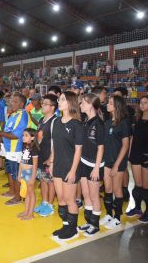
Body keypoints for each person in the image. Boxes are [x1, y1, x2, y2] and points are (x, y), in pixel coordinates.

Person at [49, 91, 83, 240]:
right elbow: (54, 146)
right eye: (59, 99)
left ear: (70, 103)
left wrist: (73, 171)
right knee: (61, 199)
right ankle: (65, 226)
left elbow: (78, 150)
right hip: (57, 165)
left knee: (70, 200)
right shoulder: (56, 121)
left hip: (70, 167)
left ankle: (73, 229)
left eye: (62, 99)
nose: (59, 101)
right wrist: (51, 163)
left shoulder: (77, 124)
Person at [126, 96, 148, 223]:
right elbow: (133, 138)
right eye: (141, 102)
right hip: (135, 155)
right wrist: (129, 154)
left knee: (146, 187)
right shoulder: (137, 119)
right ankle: (137, 208)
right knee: (138, 185)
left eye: (145, 103)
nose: (142, 105)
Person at [0, 93, 29, 206]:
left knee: (16, 174)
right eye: (11, 101)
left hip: (16, 149)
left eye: (14, 101)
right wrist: (1, 141)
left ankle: (18, 197)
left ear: (21, 103)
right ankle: (13, 191)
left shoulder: (22, 115)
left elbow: (16, 135)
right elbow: (8, 130)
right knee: (9, 171)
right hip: (8, 149)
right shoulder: (13, 114)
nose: (11, 103)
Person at [100, 95, 130, 229]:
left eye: (110, 103)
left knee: (117, 189)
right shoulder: (106, 123)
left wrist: (117, 165)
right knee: (107, 189)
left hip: (118, 162)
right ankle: (108, 214)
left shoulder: (124, 123)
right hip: (107, 160)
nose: (107, 104)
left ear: (117, 106)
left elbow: (125, 145)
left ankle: (117, 217)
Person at [77, 93, 105, 236]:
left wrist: (96, 168)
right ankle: (88, 221)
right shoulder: (86, 121)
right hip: (84, 162)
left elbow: (101, 148)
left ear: (90, 104)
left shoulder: (98, 124)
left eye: (82, 103)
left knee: (94, 196)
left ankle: (95, 224)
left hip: (94, 164)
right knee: (86, 194)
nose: (80, 105)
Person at [34, 94, 58, 217]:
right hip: (41, 155)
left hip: (49, 157)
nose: (42, 105)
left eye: (45, 104)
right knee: (43, 179)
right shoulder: (41, 120)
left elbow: (56, 141)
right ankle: (44, 202)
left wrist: (51, 158)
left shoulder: (55, 121)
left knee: (50, 181)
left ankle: (50, 205)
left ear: (53, 107)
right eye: (42, 103)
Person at [17, 128, 39, 220]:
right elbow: (22, 162)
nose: (23, 137)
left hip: (30, 173)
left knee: (31, 193)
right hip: (24, 172)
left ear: (33, 138)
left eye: (26, 135)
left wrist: (33, 177)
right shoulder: (24, 147)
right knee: (26, 193)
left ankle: (30, 214)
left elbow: (35, 164)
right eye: (23, 135)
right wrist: (19, 173)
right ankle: (26, 211)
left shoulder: (34, 149)